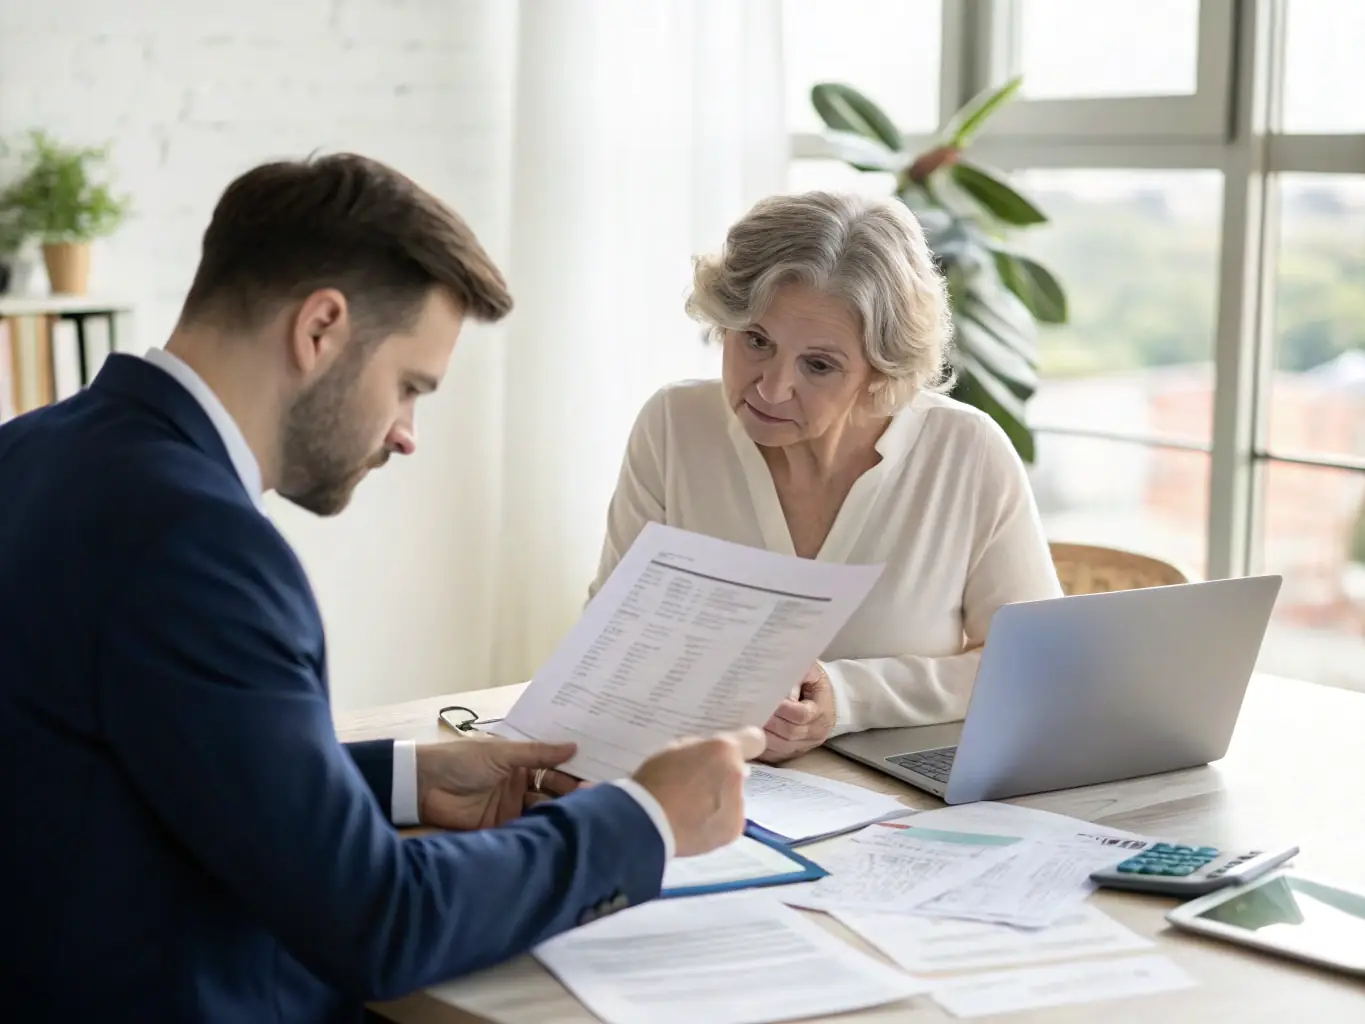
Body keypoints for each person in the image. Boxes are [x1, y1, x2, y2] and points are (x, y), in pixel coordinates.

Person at [0, 153, 763, 1023]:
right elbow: (379, 922)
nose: (407, 436)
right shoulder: (199, 542)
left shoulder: (32, 451)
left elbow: (144, 767)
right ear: (321, 328)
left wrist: (401, 779)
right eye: (409, 387)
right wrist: (644, 820)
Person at [589, 190, 1063, 764]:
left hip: (897, 808)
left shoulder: (966, 452)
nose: (771, 387)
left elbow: (1032, 665)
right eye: (756, 341)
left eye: (818, 364)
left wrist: (849, 697)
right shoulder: (674, 426)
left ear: (880, 372)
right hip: (701, 791)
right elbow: (609, 638)